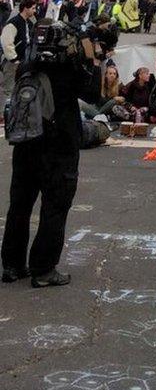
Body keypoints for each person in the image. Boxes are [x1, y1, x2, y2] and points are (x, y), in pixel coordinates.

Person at [1, 17, 97, 287]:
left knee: (19, 207)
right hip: (58, 148)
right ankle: (43, 268)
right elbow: (92, 92)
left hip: (26, 144)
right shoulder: (68, 68)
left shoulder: (28, 65)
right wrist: (90, 54)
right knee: (54, 207)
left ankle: (12, 265)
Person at [1, 0, 37, 111]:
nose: (34, 11)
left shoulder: (29, 23)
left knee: (19, 88)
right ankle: (1, 112)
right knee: (7, 88)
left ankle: (12, 112)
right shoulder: (13, 23)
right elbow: (6, 42)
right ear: (25, 8)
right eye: (33, 8)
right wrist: (14, 58)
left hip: (23, 61)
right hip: (12, 62)